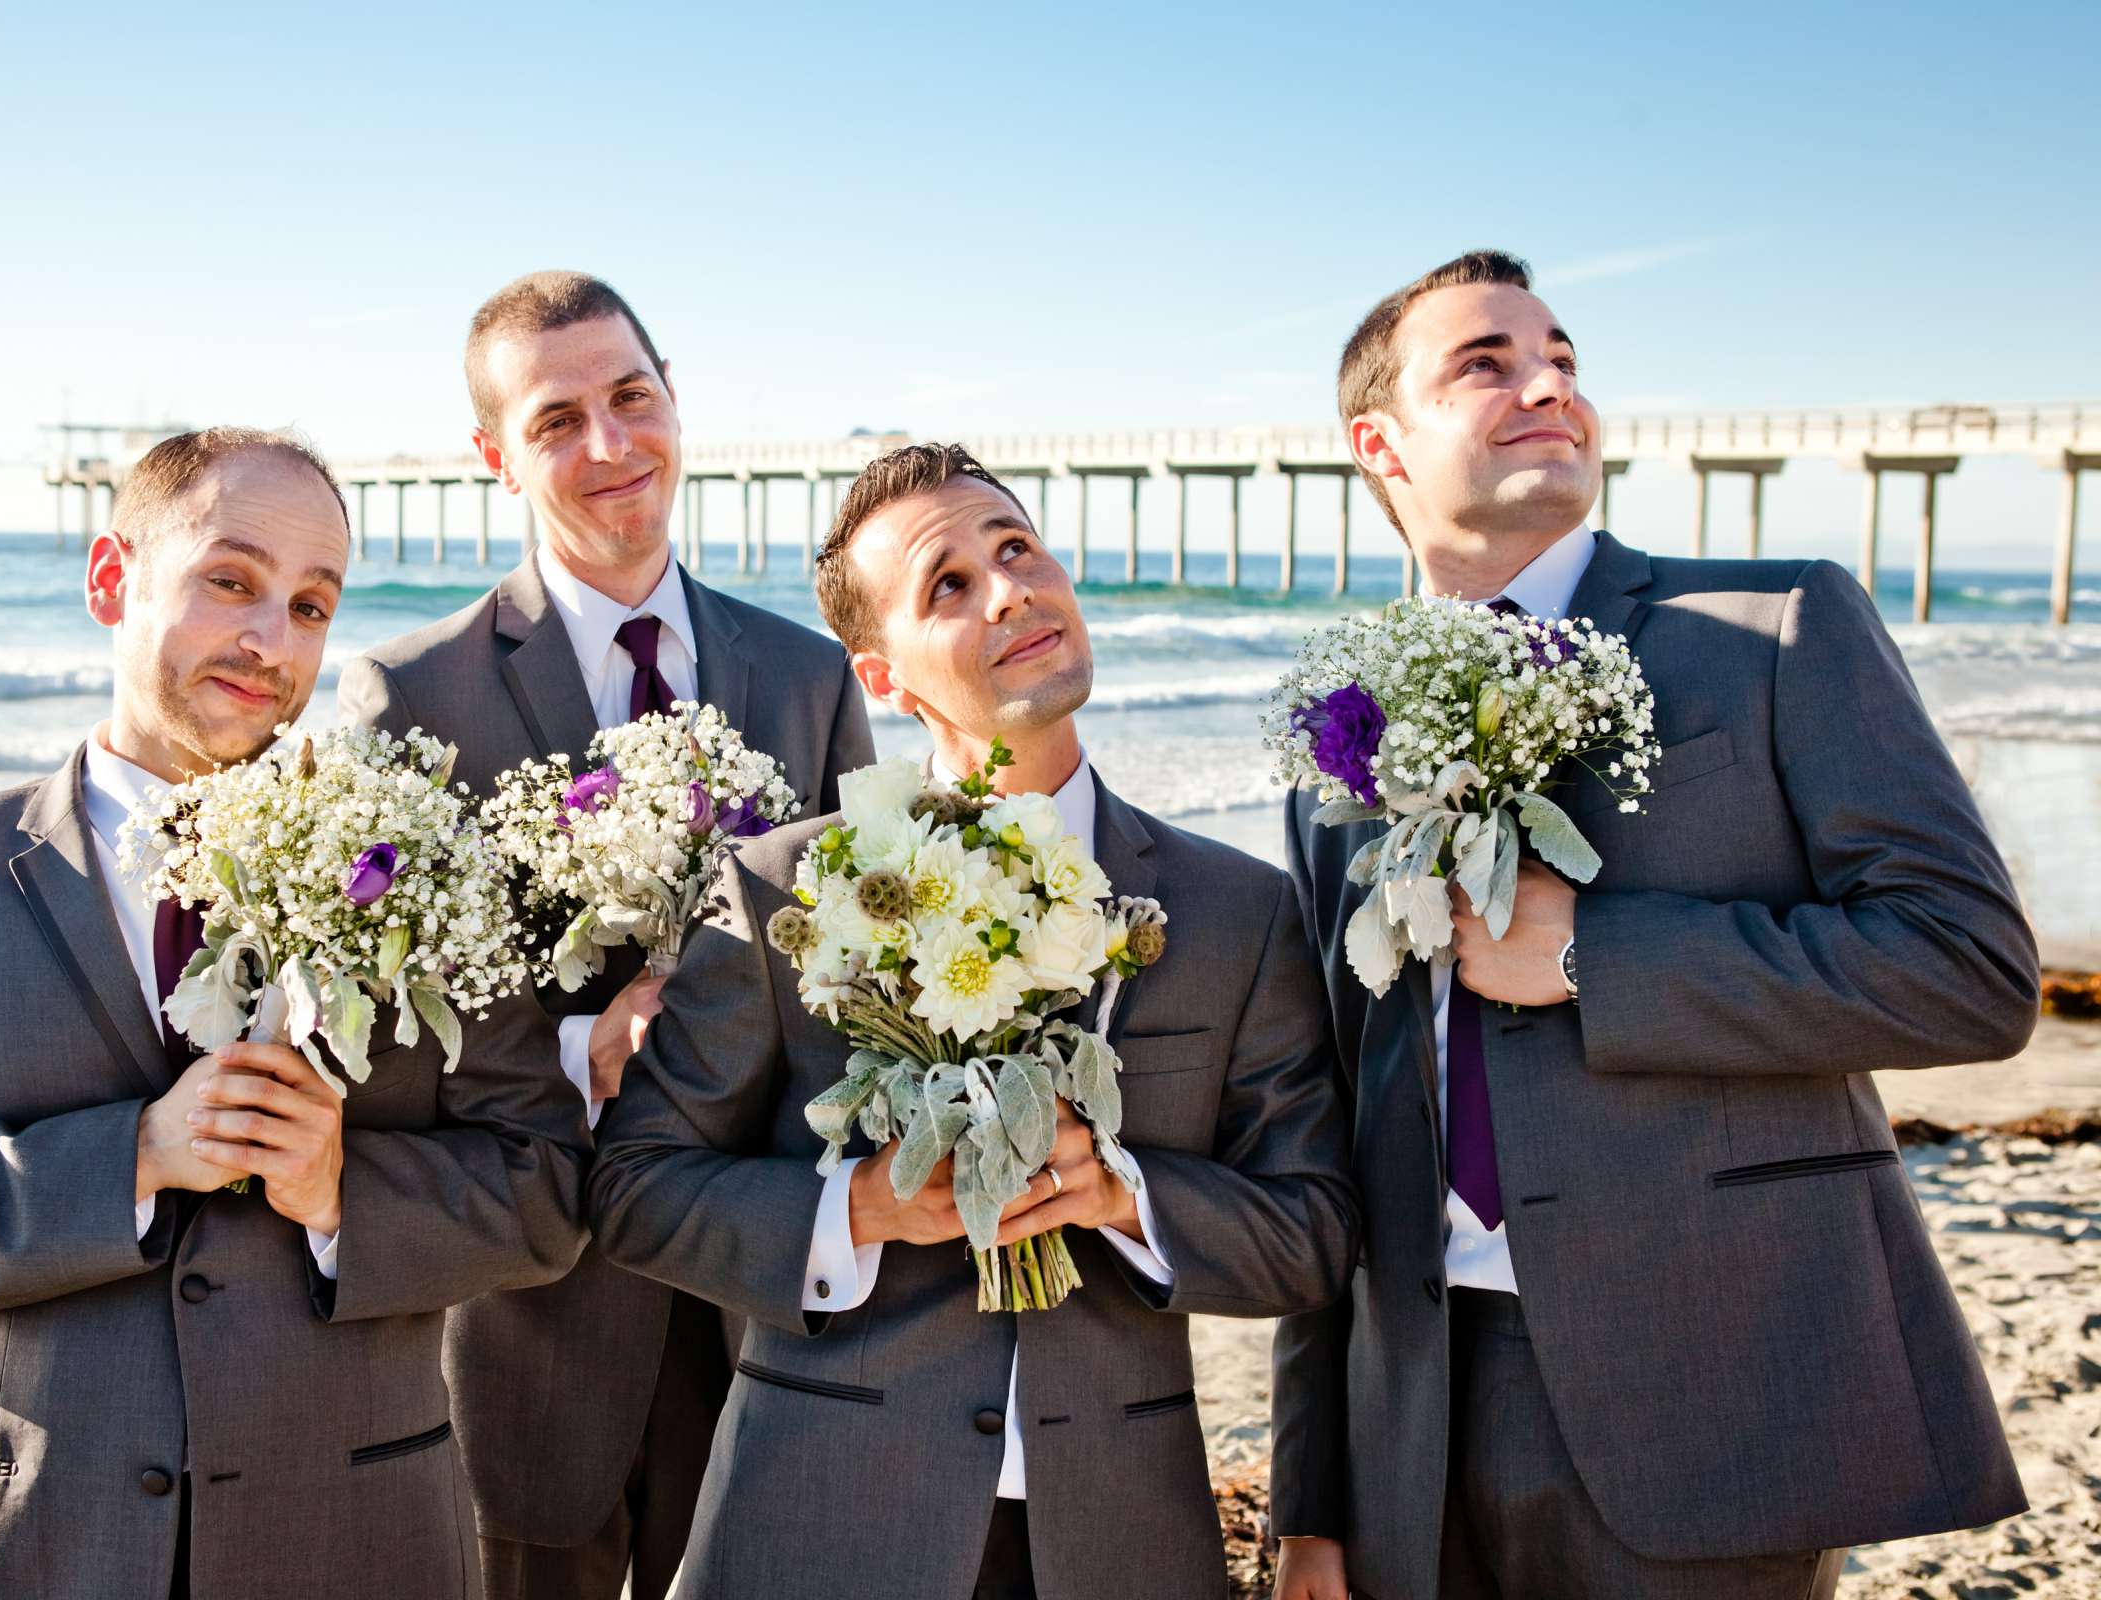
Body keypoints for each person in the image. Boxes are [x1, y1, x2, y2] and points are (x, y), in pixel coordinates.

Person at [1270, 250, 2039, 1600]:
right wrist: (1313, 1498)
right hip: (1414, 1434)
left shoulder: (1773, 625)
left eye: (1561, 357)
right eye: (1487, 363)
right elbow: (1332, 1127)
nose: (1548, 384)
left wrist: (1591, 956)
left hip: (1716, 1378)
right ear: (1377, 441)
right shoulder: (1342, 730)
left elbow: (1966, 971)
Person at [0, 427, 592, 1598]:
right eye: (230, 582)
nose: (269, 640)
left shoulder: (432, 873)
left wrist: (342, 1193)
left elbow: (545, 1192)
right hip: (24, 1545)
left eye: (309, 606)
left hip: (357, 1542)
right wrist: (130, 1159)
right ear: (112, 578)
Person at [588, 442, 1359, 1599]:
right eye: (947, 585)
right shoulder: (780, 890)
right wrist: (855, 1209)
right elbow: (635, 1186)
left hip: (1119, 1536)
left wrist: (1124, 1195)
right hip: (820, 1526)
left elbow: (1312, 1232)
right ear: (882, 677)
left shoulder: (1239, 909)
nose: (1009, 591)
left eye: (1015, 548)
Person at [338, 271, 875, 1600]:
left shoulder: (806, 678)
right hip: (539, 1327)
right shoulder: (410, 694)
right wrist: (584, 1045)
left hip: (762, 1309)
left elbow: (867, 960)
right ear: (495, 456)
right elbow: (393, 1041)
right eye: (557, 418)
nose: (609, 446)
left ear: (675, 400)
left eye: (632, 398)